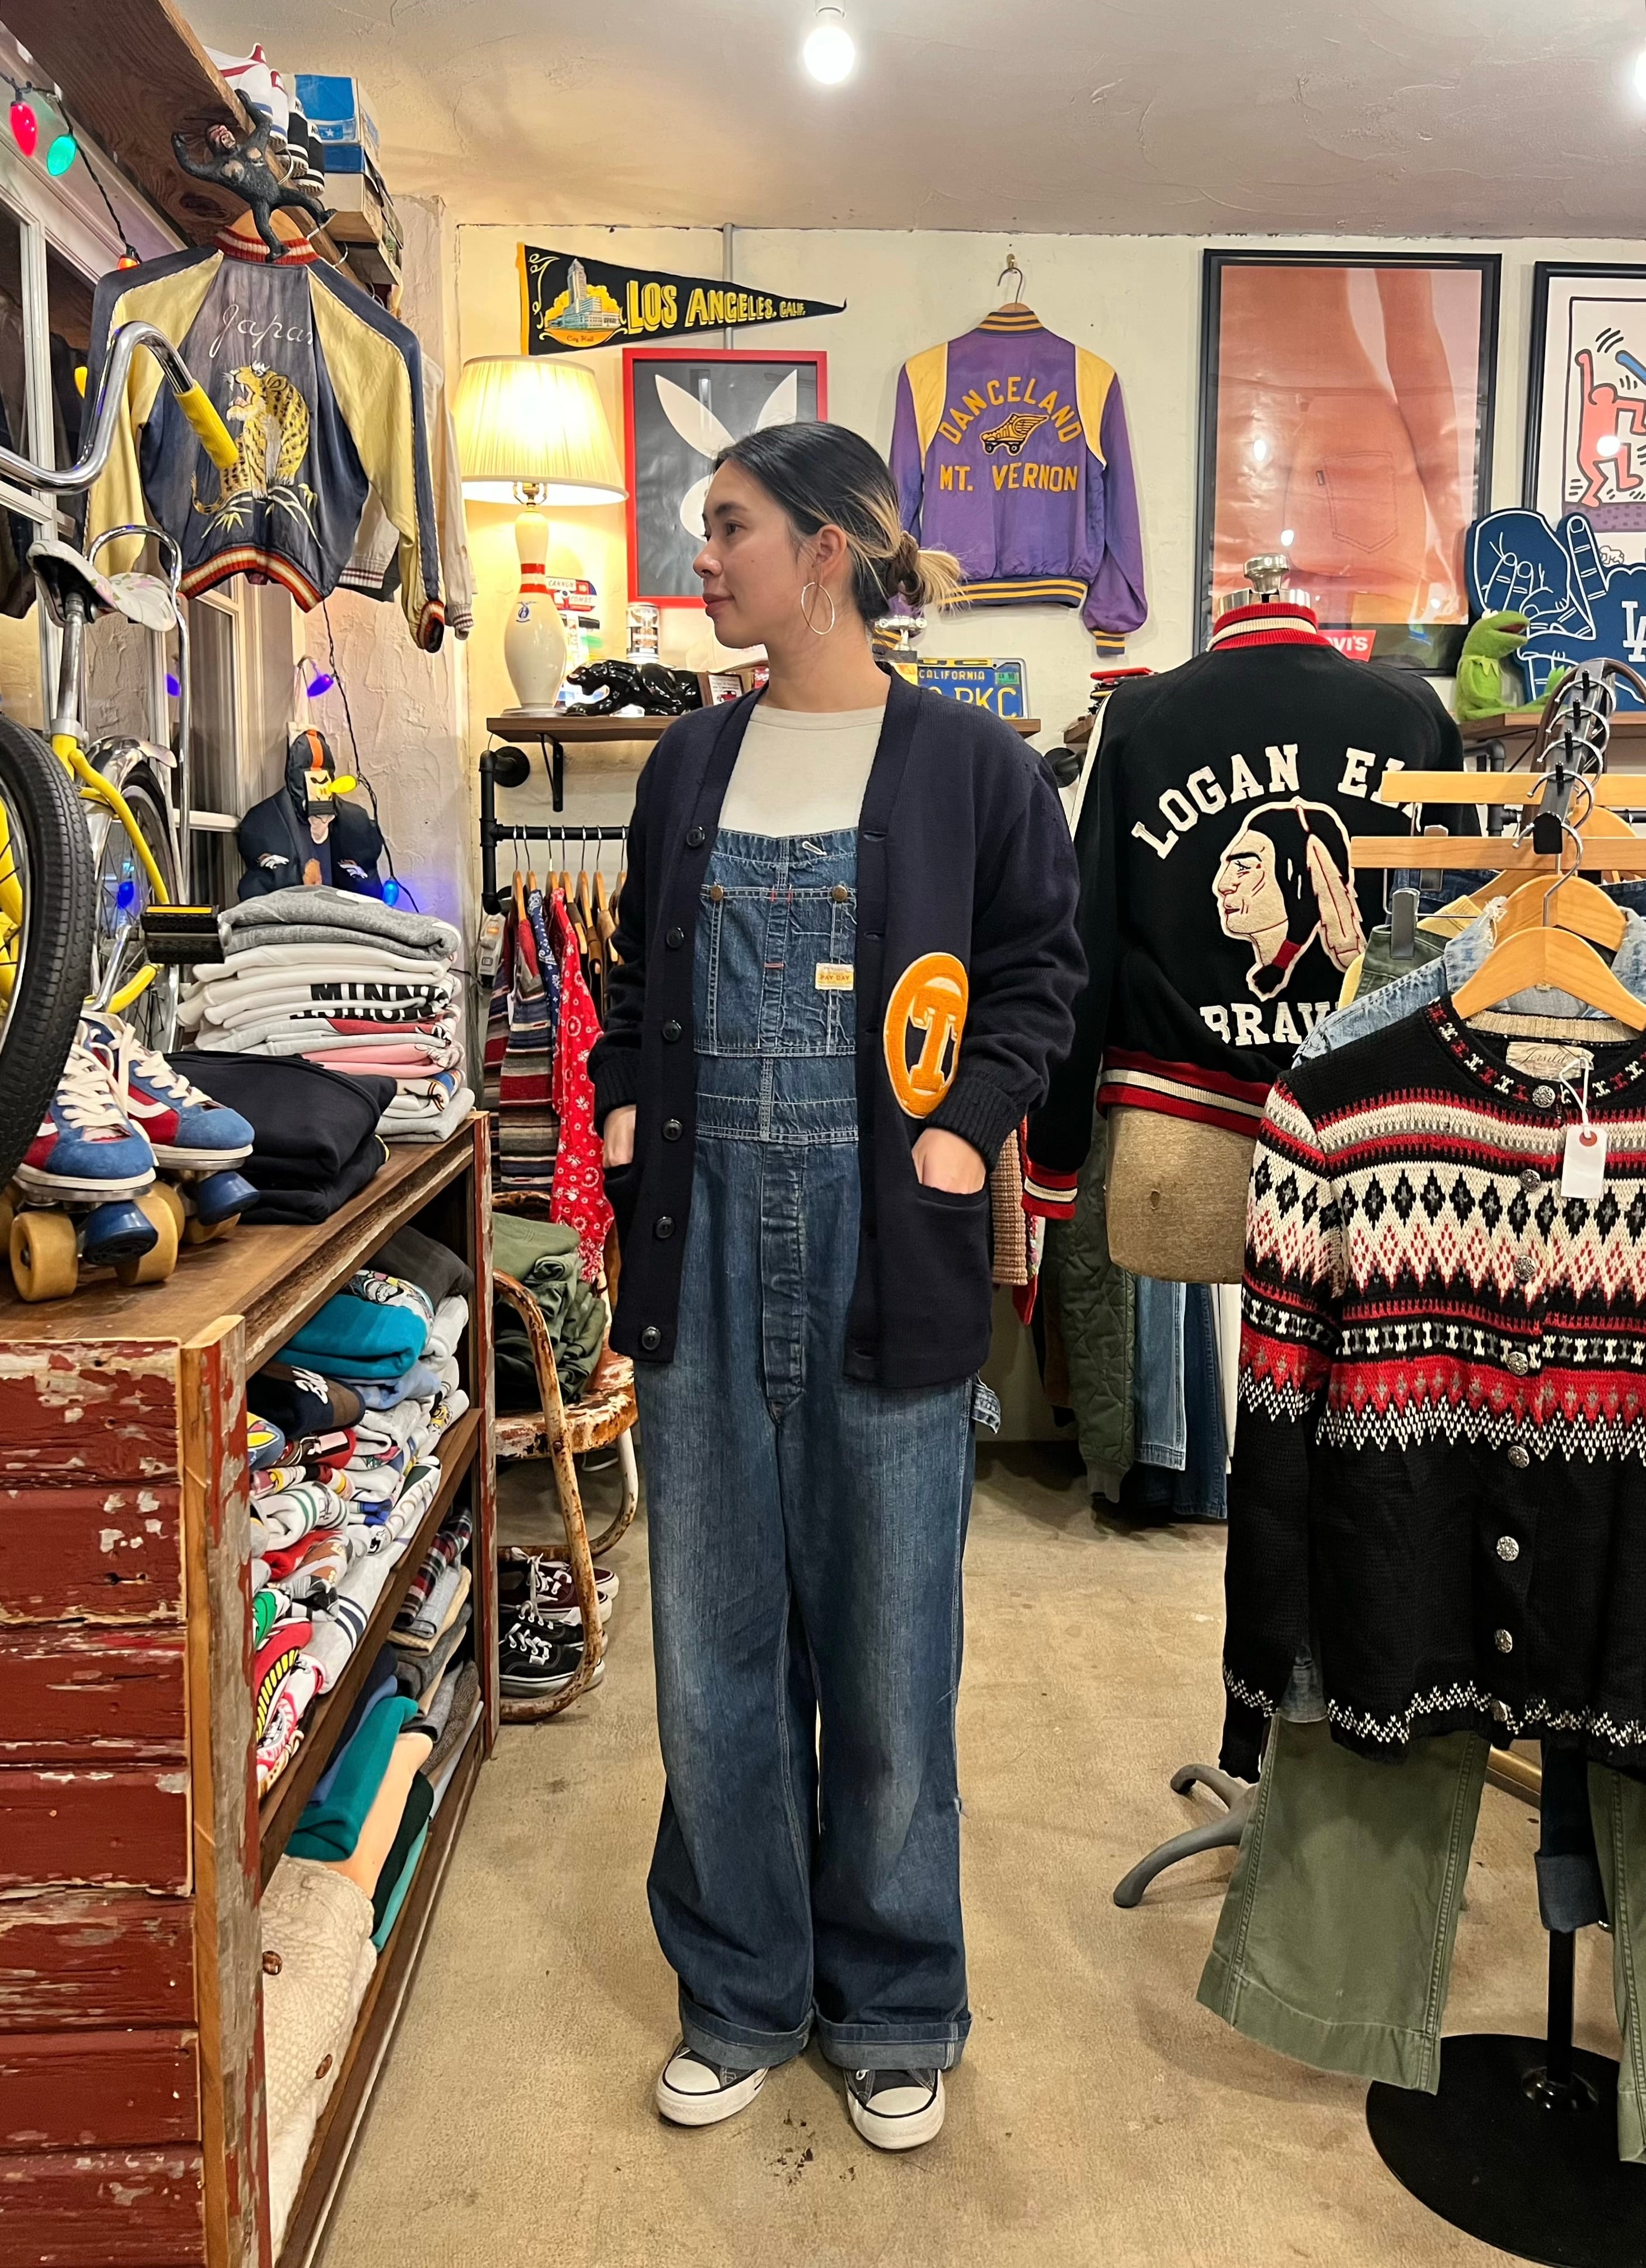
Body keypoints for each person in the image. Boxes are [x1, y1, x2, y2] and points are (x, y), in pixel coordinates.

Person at [588, 421, 1083, 2151]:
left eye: (727, 526)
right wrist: (629, 1114)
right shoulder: (684, 764)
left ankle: (891, 2001)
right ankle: (738, 1986)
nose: (702, 557)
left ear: (824, 550)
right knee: (713, 1646)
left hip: (891, 1246)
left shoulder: (972, 767)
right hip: (701, 1242)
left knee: (887, 1657)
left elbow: (1039, 970)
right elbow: (631, 982)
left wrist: (959, 1132)